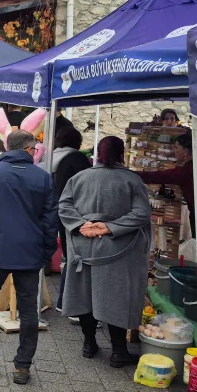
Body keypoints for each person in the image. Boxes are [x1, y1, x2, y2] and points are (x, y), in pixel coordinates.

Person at [0, 130, 58, 385]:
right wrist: (46, 252)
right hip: (29, 252)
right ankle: (22, 365)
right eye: (35, 149)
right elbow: (51, 220)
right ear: (29, 149)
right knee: (28, 309)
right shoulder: (43, 178)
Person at [60, 136, 151, 368]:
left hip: (83, 244)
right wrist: (110, 227)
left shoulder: (78, 178)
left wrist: (81, 224)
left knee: (84, 295)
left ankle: (89, 344)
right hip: (118, 246)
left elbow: (64, 205)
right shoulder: (133, 180)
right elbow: (142, 214)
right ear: (121, 154)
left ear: (97, 154)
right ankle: (119, 351)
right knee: (116, 297)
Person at [138, 132, 197, 228]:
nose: (174, 151)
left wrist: (131, 174)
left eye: (176, 148)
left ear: (186, 151)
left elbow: (157, 176)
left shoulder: (188, 170)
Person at [49, 126, 92, 311]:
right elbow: (88, 186)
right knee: (75, 257)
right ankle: (68, 303)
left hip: (58, 210)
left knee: (69, 256)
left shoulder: (52, 157)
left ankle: (63, 302)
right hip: (75, 212)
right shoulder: (76, 159)